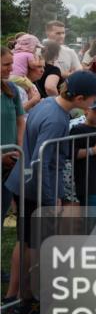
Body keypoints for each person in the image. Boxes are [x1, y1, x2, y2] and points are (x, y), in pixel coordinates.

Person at [3, 71, 96, 314]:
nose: (95, 102)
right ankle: (27, 299)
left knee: (25, 240)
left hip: (25, 183)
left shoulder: (48, 103)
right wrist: (53, 200)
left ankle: (13, 296)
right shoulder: (57, 120)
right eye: (93, 98)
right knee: (36, 245)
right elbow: (43, 162)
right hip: (37, 188)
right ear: (80, 98)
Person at [1, 47, 25, 223]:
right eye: (6, 64)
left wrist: (19, 148)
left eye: (12, 63)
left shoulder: (11, 88)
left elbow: (20, 120)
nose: (11, 68)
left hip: (9, 164)